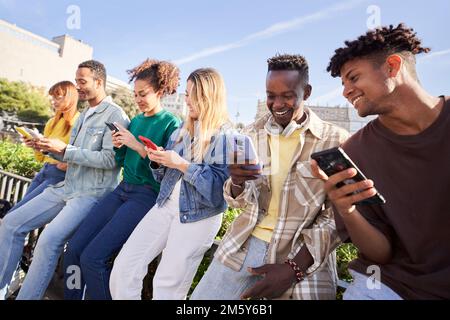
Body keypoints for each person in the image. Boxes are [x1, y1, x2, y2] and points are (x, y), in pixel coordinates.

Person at [191, 54, 349, 300]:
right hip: (243, 246)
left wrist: (293, 268)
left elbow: (338, 218)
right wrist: (236, 182)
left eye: (287, 96)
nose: (277, 104)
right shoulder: (251, 134)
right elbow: (236, 202)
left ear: (306, 92)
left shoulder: (334, 141)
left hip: (304, 256)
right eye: (270, 96)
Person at [311, 23, 450, 300]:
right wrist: (347, 210)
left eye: (353, 78)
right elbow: (379, 254)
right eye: (342, 83)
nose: (345, 91)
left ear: (392, 67)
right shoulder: (353, 152)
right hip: (389, 286)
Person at [0, 60, 129, 300]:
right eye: (77, 80)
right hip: (66, 187)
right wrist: (45, 147)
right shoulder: (84, 115)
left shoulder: (116, 115)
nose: (78, 86)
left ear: (99, 82)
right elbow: (71, 155)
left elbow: (112, 160)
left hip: (91, 194)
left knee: (48, 243)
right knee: (10, 223)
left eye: (82, 81)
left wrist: (66, 150)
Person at [109, 68, 234, 300]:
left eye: (192, 95)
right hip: (165, 205)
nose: (186, 101)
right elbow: (163, 177)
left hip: (199, 216)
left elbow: (218, 192)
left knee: (168, 287)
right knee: (124, 269)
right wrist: (158, 161)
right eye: (186, 94)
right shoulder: (180, 132)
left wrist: (182, 165)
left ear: (209, 96)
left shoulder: (227, 136)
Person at [63, 59, 181, 300]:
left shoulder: (171, 123)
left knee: (93, 258)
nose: (138, 100)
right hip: (122, 189)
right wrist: (119, 144)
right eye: (135, 94)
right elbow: (122, 158)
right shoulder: (136, 121)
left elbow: (167, 169)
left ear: (159, 92)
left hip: (146, 194)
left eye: (143, 94)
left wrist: (137, 145)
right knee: (74, 249)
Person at [12, 81, 80, 211]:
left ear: (69, 97)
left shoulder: (79, 122)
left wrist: (64, 166)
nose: (53, 101)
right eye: (52, 97)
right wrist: (35, 145)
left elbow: (79, 152)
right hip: (44, 170)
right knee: (19, 210)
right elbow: (41, 158)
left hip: (59, 175)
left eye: (57, 97)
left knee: (20, 212)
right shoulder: (51, 122)